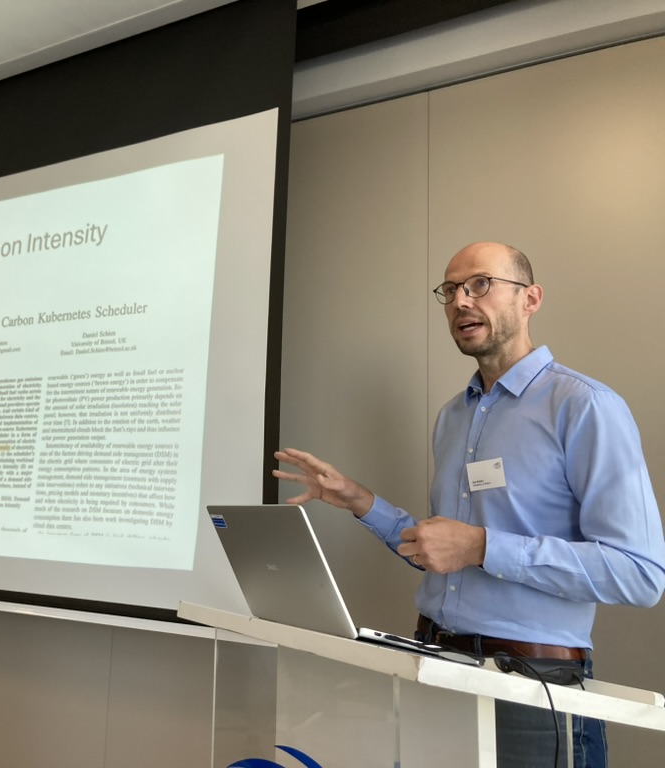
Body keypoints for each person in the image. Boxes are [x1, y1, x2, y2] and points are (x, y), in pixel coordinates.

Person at [274, 241, 665, 768]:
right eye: (450, 289)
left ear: (531, 299)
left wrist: (483, 546)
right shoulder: (453, 417)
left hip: (533, 692)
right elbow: (445, 553)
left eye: (480, 284)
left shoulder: (585, 407)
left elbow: (641, 573)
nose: (460, 301)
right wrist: (361, 502)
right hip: (435, 670)